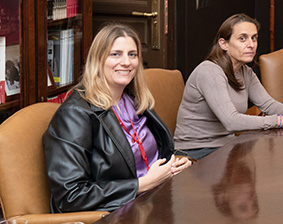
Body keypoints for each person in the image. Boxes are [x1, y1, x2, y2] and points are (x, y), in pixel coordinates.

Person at [43, 23, 192, 212]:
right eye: (115, 54)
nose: (126, 62)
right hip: (117, 212)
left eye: (132, 54)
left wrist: (174, 164)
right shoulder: (75, 114)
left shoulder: (133, 98)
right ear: (98, 60)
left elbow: (153, 152)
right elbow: (71, 196)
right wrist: (141, 184)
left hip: (155, 198)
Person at [174, 13, 283, 159]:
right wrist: (282, 120)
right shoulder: (209, 71)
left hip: (226, 145)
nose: (251, 44)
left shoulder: (245, 72)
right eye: (242, 38)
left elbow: (268, 104)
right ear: (223, 44)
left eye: (254, 38)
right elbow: (231, 121)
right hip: (196, 150)